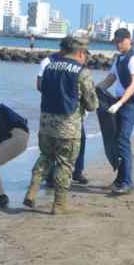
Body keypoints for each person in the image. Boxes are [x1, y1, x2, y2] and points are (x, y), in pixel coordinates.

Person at [23, 37, 98, 213]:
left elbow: (42, 88)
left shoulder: (49, 67)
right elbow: (92, 104)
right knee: (65, 164)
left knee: (45, 157)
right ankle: (59, 204)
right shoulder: (82, 72)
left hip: (46, 124)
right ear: (80, 53)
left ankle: (32, 191)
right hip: (68, 126)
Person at [95, 28, 134, 195]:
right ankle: (119, 180)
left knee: (123, 139)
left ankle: (127, 183)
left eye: (120, 41)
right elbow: (110, 79)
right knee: (116, 139)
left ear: (128, 40)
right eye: (115, 42)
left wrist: (120, 103)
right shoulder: (118, 59)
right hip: (119, 101)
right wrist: (96, 89)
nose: (117, 44)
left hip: (132, 103)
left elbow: (133, 85)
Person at [38, 39, 89, 184]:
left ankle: (78, 171)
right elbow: (40, 85)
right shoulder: (48, 62)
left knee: (80, 139)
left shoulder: (76, 62)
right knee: (52, 144)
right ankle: (50, 177)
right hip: (53, 110)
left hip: (72, 109)